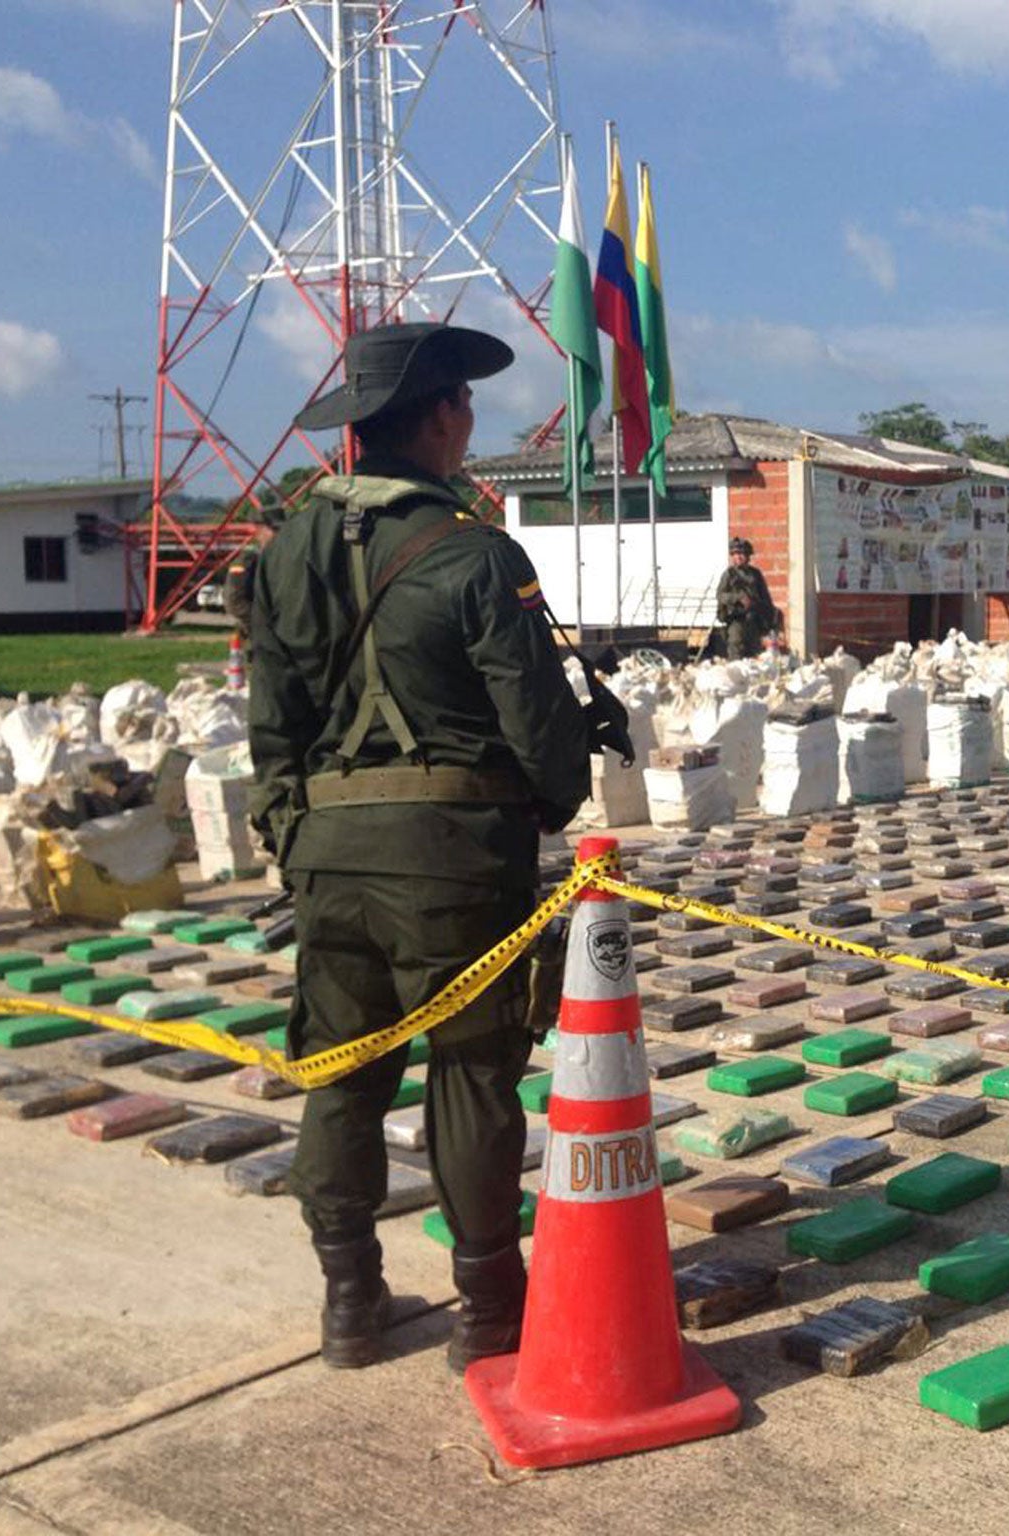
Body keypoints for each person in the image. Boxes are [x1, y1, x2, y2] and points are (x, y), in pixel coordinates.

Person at [247, 321, 592, 1373]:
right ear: (442, 415)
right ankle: (489, 1308)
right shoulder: (476, 554)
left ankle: (350, 1302)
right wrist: (551, 799)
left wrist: (290, 834)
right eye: (465, 408)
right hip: (450, 855)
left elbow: (271, 721)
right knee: (473, 1072)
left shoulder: (284, 551)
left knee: (342, 1070)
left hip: (325, 858)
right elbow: (538, 726)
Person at [716, 536, 779, 659]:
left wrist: (771, 621)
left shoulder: (755, 574)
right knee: (736, 650)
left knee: (755, 652)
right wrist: (738, 598)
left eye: (742, 554)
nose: (738, 557)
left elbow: (765, 597)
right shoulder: (729, 575)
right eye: (735, 554)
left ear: (748, 556)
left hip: (754, 620)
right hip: (736, 619)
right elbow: (720, 595)